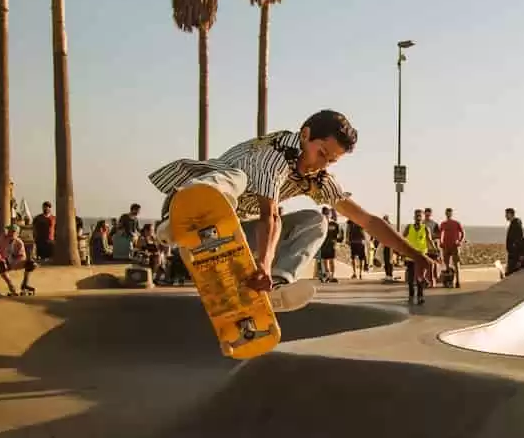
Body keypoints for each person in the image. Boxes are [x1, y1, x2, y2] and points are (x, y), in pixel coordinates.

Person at [148, 109, 436, 312]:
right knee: (235, 179)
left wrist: (414, 255)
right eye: (321, 153)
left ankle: (276, 287)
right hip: (187, 206)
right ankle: (179, 223)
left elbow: (367, 220)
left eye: (331, 161)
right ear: (305, 135)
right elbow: (269, 216)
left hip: (228, 232)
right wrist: (262, 262)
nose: (321, 165)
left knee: (316, 222)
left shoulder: (317, 180)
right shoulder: (275, 152)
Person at [402, 209, 432, 304]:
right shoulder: (409, 227)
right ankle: (411, 295)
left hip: (421, 256)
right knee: (410, 278)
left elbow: (429, 240)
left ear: (423, 218)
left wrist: (436, 249)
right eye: (417, 216)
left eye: (420, 216)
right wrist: (401, 251)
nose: (418, 218)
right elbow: (402, 238)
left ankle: (420, 296)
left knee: (420, 277)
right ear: (414, 217)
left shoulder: (425, 228)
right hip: (410, 256)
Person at [438, 208, 464, 288]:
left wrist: (459, 241)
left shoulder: (456, 223)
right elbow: (440, 234)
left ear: (451, 214)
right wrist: (441, 242)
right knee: (447, 265)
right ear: (445, 214)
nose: (448, 214)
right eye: (447, 213)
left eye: (450, 213)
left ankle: (458, 281)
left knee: (456, 264)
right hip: (446, 246)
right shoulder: (443, 223)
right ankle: (449, 281)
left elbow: (462, 233)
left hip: (454, 246)